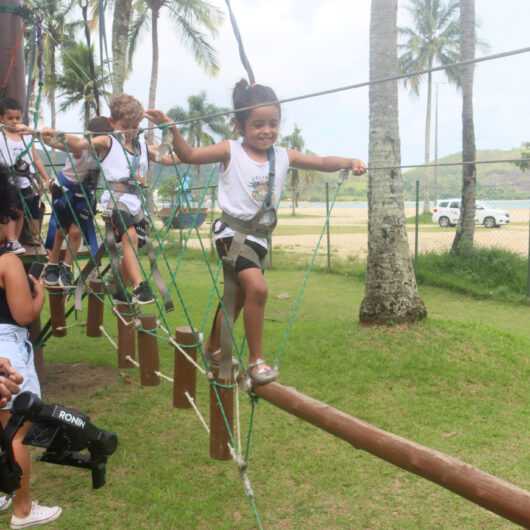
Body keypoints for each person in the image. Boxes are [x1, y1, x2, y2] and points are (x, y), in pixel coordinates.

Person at [145, 79, 367, 385]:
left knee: (233, 300)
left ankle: (213, 349)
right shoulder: (230, 150)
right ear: (240, 126)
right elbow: (190, 156)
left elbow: (320, 162)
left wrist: (349, 161)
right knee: (258, 289)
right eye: (258, 124)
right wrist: (173, 129)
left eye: (273, 124)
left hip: (259, 239)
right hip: (230, 233)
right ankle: (256, 361)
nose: (266, 131)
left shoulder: (284, 155)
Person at [41, 95, 179, 305]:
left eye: (136, 126)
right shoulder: (108, 141)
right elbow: (78, 144)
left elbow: (167, 157)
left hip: (135, 204)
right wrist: (49, 135)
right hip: (114, 201)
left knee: (133, 246)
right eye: (126, 126)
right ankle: (140, 286)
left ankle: (116, 286)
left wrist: (169, 129)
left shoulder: (142, 144)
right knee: (129, 238)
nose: (131, 131)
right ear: (112, 123)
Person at [0, 164, 61, 528]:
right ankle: (23, 510)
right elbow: (23, 314)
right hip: (8, 347)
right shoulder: (8, 261)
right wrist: (39, 296)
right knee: (17, 432)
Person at [41, 116, 113, 288]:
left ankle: (66, 267)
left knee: (76, 233)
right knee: (60, 230)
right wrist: (46, 134)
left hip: (83, 195)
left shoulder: (105, 153)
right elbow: (56, 142)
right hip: (65, 191)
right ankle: (52, 264)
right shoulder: (80, 148)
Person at [0, 98, 50, 254]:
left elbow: (36, 159)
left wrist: (46, 177)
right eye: (10, 118)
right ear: (2, 118)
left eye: (17, 118)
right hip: (6, 178)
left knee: (25, 209)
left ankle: (18, 239)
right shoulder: (1, 134)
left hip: (26, 178)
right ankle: (11, 240)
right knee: (10, 209)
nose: (14, 122)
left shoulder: (27, 136)